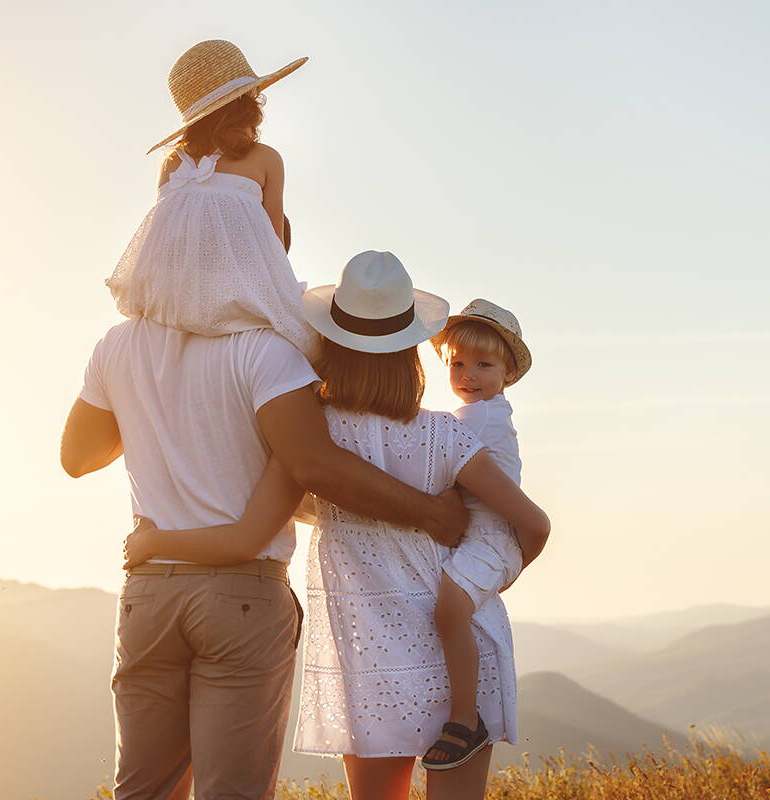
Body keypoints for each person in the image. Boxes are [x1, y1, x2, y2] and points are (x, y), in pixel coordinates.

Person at [60, 44, 470, 800]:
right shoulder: (266, 354)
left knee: (142, 791)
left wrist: (151, 403)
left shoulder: (118, 347)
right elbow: (314, 467)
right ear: (261, 235)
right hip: (238, 596)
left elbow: (78, 457)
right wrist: (434, 514)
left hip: (147, 591)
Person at [123, 251, 551, 800]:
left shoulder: (311, 441)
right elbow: (532, 524)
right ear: (414, 352)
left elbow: (263, 522)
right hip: (460, 645)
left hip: (371, 658)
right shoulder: (451, 437)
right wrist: (494, 578)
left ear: (329, 344)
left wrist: (154, 539)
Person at [105, 38, 320, 362]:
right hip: (243, 292)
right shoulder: (266, 159)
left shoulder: (172, 164)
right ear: (248, 101)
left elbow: (175, 240)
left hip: (175, 298)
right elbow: (272, 247)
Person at [420, 299, 535, 771]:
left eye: (483, 365)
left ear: (507, 372)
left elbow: (434, 457)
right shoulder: (486, 412)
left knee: (449, 612)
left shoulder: (472, 420)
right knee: (451, 612)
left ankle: (465, 718)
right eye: (457, 363)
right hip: (484, 535)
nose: (467, 374)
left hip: (490, 536)